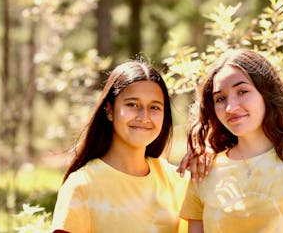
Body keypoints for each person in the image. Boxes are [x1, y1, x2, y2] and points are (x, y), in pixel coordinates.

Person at [180, 49, 283, 233]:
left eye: (242, 91)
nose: (231, 107)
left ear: (266, 93)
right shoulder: (204, 171)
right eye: (220, 98)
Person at [51, 60, 191, 233]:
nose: (144, 116)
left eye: (154, 107)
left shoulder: (177, 180)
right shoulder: (82, 186)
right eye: (132, 105)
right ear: (109, 110)